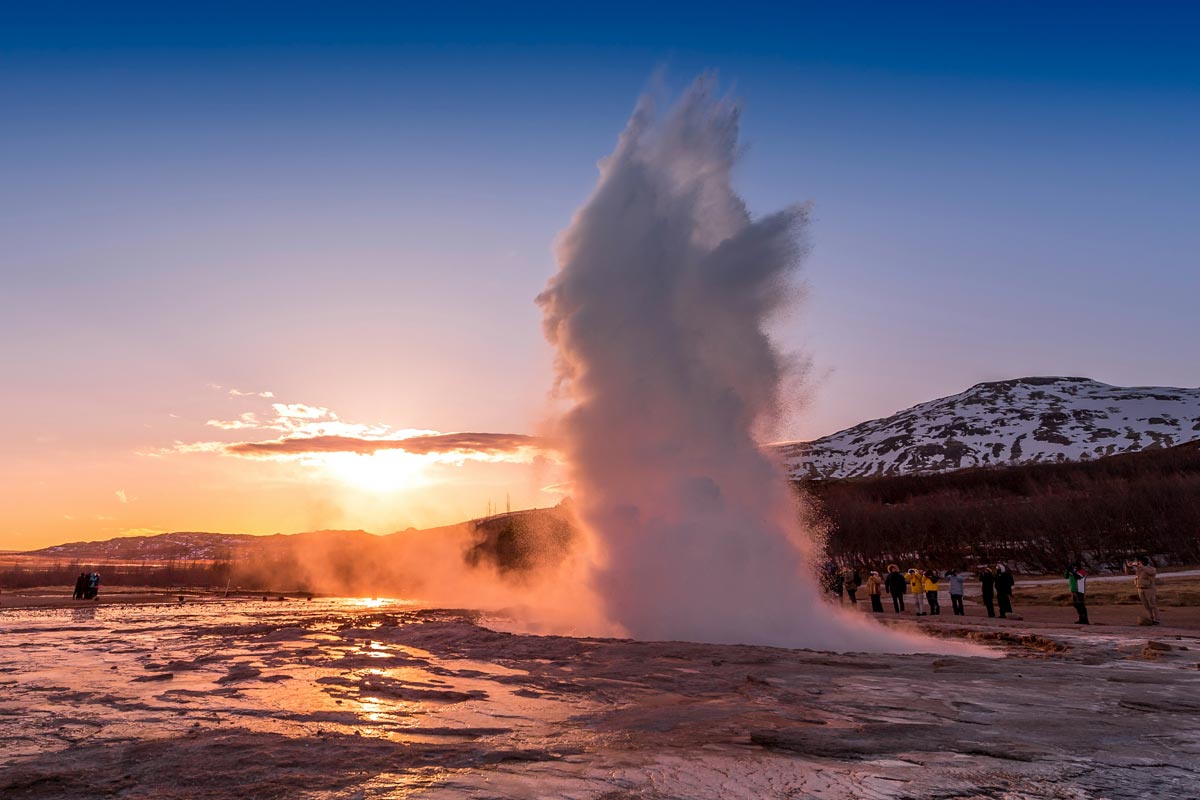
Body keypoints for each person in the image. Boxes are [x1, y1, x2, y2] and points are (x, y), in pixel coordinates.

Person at [1127, 557, 1159, 624]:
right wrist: (1128, 566)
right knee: (1146, 605)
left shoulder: (1150, 568)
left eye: (1140, 562)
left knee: (1152, 604)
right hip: (1140, 588)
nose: (1138, 563)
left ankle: (1156, 618)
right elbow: (1128, 572)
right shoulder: (1139, 569)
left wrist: (1141, 566)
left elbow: (1152, 572)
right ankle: (1151, 617)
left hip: (1149, 589)